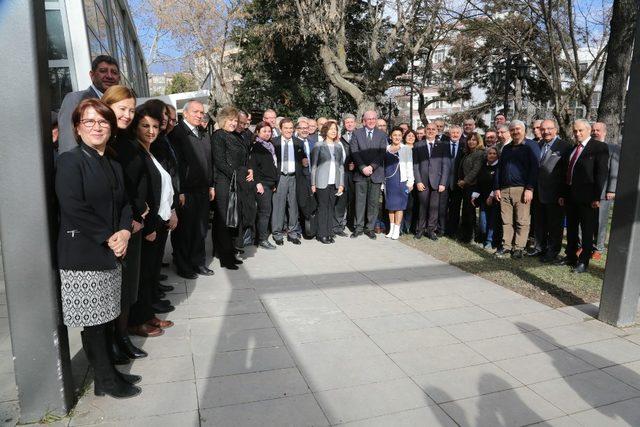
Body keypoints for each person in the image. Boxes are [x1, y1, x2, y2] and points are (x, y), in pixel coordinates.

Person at [55, 98, 140, 398]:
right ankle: (105, 381)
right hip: (84, 253)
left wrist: (124, 233)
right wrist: (109, 236)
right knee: (92, 323)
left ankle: (109, 373)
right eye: (89, 121)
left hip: (111, 250)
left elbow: (126, 205)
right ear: (78, 128)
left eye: (103, 121)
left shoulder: (112, 163)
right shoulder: (70, 161)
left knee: (106, 319)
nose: (97, 127)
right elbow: (73, 207)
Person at [102, 85, 150, 358]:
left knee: (128, 287)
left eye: (131, 110)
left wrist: (142, 214)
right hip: (120, 227)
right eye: (122, 109)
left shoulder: (128, 139)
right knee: (115, 291)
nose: (128, 114)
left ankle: (122, 338)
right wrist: (131, 217)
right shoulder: (105, 142)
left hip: (136, 223)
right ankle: (112, 344)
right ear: (107, 106)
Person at [127, 104, 176, 337]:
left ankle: (147, 315)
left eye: (155, 126)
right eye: (145, 125)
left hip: (158, 221)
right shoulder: (135, 151)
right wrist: (148, 226)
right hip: (147, 225)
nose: (151, 130)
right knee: (142, 276)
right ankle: (138, 320)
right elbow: (137, 192)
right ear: (136, 127)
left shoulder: (150, 151)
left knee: (149, 275)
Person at [169, 100, 215, 279]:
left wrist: (210, 184)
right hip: (185, 192)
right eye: (195, 112)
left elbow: (208, 161)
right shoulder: (177, 133)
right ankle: (183, 264)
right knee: (184, 230)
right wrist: (179, 191)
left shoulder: (203, 133)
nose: (199, 115)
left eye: (201, 112)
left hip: (203, 190)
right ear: (185, 113)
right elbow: (175, 165)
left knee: (201, 229)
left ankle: (198, 262)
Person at [558, 119, 609, 273]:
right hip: (570, 196)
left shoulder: (599, 147)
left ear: (588, 130)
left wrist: (596, 197)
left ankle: (583, 261)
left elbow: (601, 173)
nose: (577, 133)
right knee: (572, 229)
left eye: (580, 130)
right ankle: (570, 256)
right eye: (575, 131)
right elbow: (566, 173)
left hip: (588, 198)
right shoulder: (573, 149)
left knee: (587, 230)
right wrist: (562, 194)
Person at [212, 106, 251, 269]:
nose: (234, 123)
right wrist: (237, 174)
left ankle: (231, 252)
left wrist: (247, 170)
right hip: (225, 183)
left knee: (234, 220)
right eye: (230, 120)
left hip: (237, 182)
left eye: (236, 120)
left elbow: (244, 158)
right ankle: (224, 258)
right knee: (224, 221)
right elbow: (219, 161)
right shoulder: (218, 135)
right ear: (223, 120)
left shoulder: (237, 136)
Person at [494, 120, 539, 259]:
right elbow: (499, 169)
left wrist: (529, 188)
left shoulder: (531, 146)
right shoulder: (506, 148)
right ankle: (507, 246)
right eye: (512, 130)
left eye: (518, 129)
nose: (515, 132)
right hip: (504, 189)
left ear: (524, 130)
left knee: (522, 220)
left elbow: (534, 168)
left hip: (522, 189)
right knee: (506, 220)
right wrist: (496, 188)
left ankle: (519, 247)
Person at [58, 55, 121, 153]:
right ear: (92, 75)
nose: (109, 76)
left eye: (114, 72)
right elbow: (68, 143)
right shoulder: (75, 99)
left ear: (119, 78)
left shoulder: (121, 106)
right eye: (103, 71)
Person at [530, 119, 571, 263]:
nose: (546, 131)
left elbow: (567, 173)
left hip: (555, 194)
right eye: (543, 129)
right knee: (539, 222)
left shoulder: (565, 147)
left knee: (555, 225)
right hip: (538, 193)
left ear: (556, 129)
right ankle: (539, 248)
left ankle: (552, 251)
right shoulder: (537, 145)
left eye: (549, 128)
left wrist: (563, 194)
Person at [350, 111, 388, 239]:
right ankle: (358, 227)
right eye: (368, 119)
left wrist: (371, 167)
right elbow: (354, 152)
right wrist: (362, 168)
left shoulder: (382, 135)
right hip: (360, 174)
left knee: (373, 203)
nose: (371, 121)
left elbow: (382, 153)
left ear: (376, 120)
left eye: (373, 118)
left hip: (376, 173)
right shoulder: (356, 133)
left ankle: (370, 228)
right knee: (359, 202)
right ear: (364, 121)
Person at [272, 118, 307, 245]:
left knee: (293, 206)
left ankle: (293, 233)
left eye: (291, 128)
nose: (288, 130)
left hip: (294, 177)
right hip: (280, 177)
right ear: (280, 129)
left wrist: (304, 160)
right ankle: (277, 234)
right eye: (286, 128)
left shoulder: (298, 143)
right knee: (278, 206)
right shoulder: (274, 142)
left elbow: (303, 158)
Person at [413, 123, 450, 240]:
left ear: (437, 131)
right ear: (425, 131)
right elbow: (415, 165)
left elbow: (446, 165)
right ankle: (420, 229)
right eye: (428, 129)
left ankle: (431, 230)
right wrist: (418, 181)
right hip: (422, 182)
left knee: (434, 207)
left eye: (433, 129)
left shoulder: (443, 145)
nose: (430, 131)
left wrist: (443, 183)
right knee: (422, 207)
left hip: (437, 182)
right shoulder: (418, 145)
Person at [310, 121, 345, 244]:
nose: (333, 131)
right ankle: (322, 234)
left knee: (331, 208)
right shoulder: (318, 145)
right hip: (321, 182)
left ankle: (329, 232)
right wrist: (313, 184)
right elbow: (313, 166)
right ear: (325, 131)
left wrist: (341, 184)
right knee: (323, 208)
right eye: (331, 129)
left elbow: (341, 166)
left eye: (335, 129)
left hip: (334, 182)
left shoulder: (339, 146)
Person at [591, 122, 619, 260]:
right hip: (588, 191)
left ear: (605, 132)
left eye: (598, 130)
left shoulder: (613, 148)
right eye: (593, 130)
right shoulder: (588, 147)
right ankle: (584, 244)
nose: (595, 132)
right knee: (586, 220)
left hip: (604, 192)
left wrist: (612, 190)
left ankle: (599, 247)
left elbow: (615, 169)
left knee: (600, 221)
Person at [249, 122, 279, 249]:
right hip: (262, 184)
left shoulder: (270, 145)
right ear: (257, 132)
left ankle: (259, 237)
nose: (267, 133)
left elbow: (273, 165)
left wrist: (275, 182)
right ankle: (262, 239)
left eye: (269, 131)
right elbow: (253, 166)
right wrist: (258, 183)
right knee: (264, 212)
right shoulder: (256, 147)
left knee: (265, 211)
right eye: (264, 131)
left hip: (270, 183)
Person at [384, 128, 414, 240]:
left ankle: (397, 229)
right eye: (394, 135)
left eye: (399, 135)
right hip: (389, 181)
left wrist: (411, 182)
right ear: (391, 136)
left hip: (401, 180)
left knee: (399, 206)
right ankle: (391, 229)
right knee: (390, 207)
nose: (397, 137)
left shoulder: (406, 149)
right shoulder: (386, 148)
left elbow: (409, 166)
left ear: (402, 137)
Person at [457, 132, 485, 243]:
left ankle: (470, 236)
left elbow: (475, 170)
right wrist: (460, 180)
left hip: (473, 186)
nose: (471, 141)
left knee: (470, 212)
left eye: (474, 140)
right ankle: (465, 234)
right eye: (469, 139)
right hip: (466, 186)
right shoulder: (467, 153)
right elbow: (462, 168)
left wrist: (465, 181)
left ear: (478, 141)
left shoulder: (480, 153)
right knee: (465, 211)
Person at [474, 147, 500, 249]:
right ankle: (483, 238)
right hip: (483, 199)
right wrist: (474, 195)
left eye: (494, 153)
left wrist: (491, 195)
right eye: (490, 153)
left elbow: (498, 183)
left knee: (492, 221)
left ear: (497, 155)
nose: (492, 155)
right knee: (483, 223)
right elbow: (478, 182)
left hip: (494, 199)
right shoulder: (484, 166)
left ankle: (489, 241)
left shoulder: (498, 167)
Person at [334, 114, 357, 237]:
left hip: (356, 174)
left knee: (354, 200)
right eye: (347, 122)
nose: (349, 124)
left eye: (351, 122)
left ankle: (352, 223)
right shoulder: (340, 138)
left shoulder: (359, 136)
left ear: (355, 123)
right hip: (343, 173)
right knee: (341, 199)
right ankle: (338, 225)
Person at [444, 125, 464, 237]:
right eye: (453, 132)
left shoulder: (464, 146)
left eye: (457, 133)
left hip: (458, 183)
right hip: (444, 183)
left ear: (460, 134)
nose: (455, 134)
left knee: (455, 209)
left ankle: (452, 231)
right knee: (443, 207)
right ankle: (442, 228)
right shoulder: (443, 146)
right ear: (449, 134)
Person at [402, 130, 419, 234]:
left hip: (417, 180)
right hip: (406, 179)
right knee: (405, 204)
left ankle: (411, 226)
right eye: (409, 135)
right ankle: (403, 226)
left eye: (413, 136)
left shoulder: (418, 148)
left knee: (413, 205)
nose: (411, 137)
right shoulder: (402, 148)